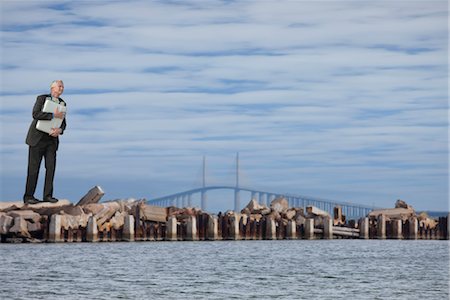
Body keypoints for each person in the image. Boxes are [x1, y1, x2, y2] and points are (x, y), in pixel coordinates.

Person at [23, 80, 67, 204]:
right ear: (52, 87)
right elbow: (35, 114)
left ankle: (47, 196)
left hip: (51, 141)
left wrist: (60, 130)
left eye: (63, 86)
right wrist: (53, 115)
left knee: (51, 168)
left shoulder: (63, 103)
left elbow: (63, 122)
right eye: (59, 86)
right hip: (37, 139)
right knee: (33, 169)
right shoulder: (42, 98)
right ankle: (28, 196)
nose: (61, 88)